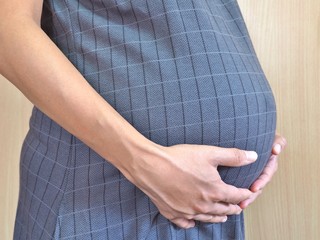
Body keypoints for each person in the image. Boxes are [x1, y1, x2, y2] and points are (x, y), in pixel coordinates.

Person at [0, 0, 287, 239]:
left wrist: (251, 126)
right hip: (102, 192)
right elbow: (7, 29)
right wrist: (142, 162)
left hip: (208, 208)